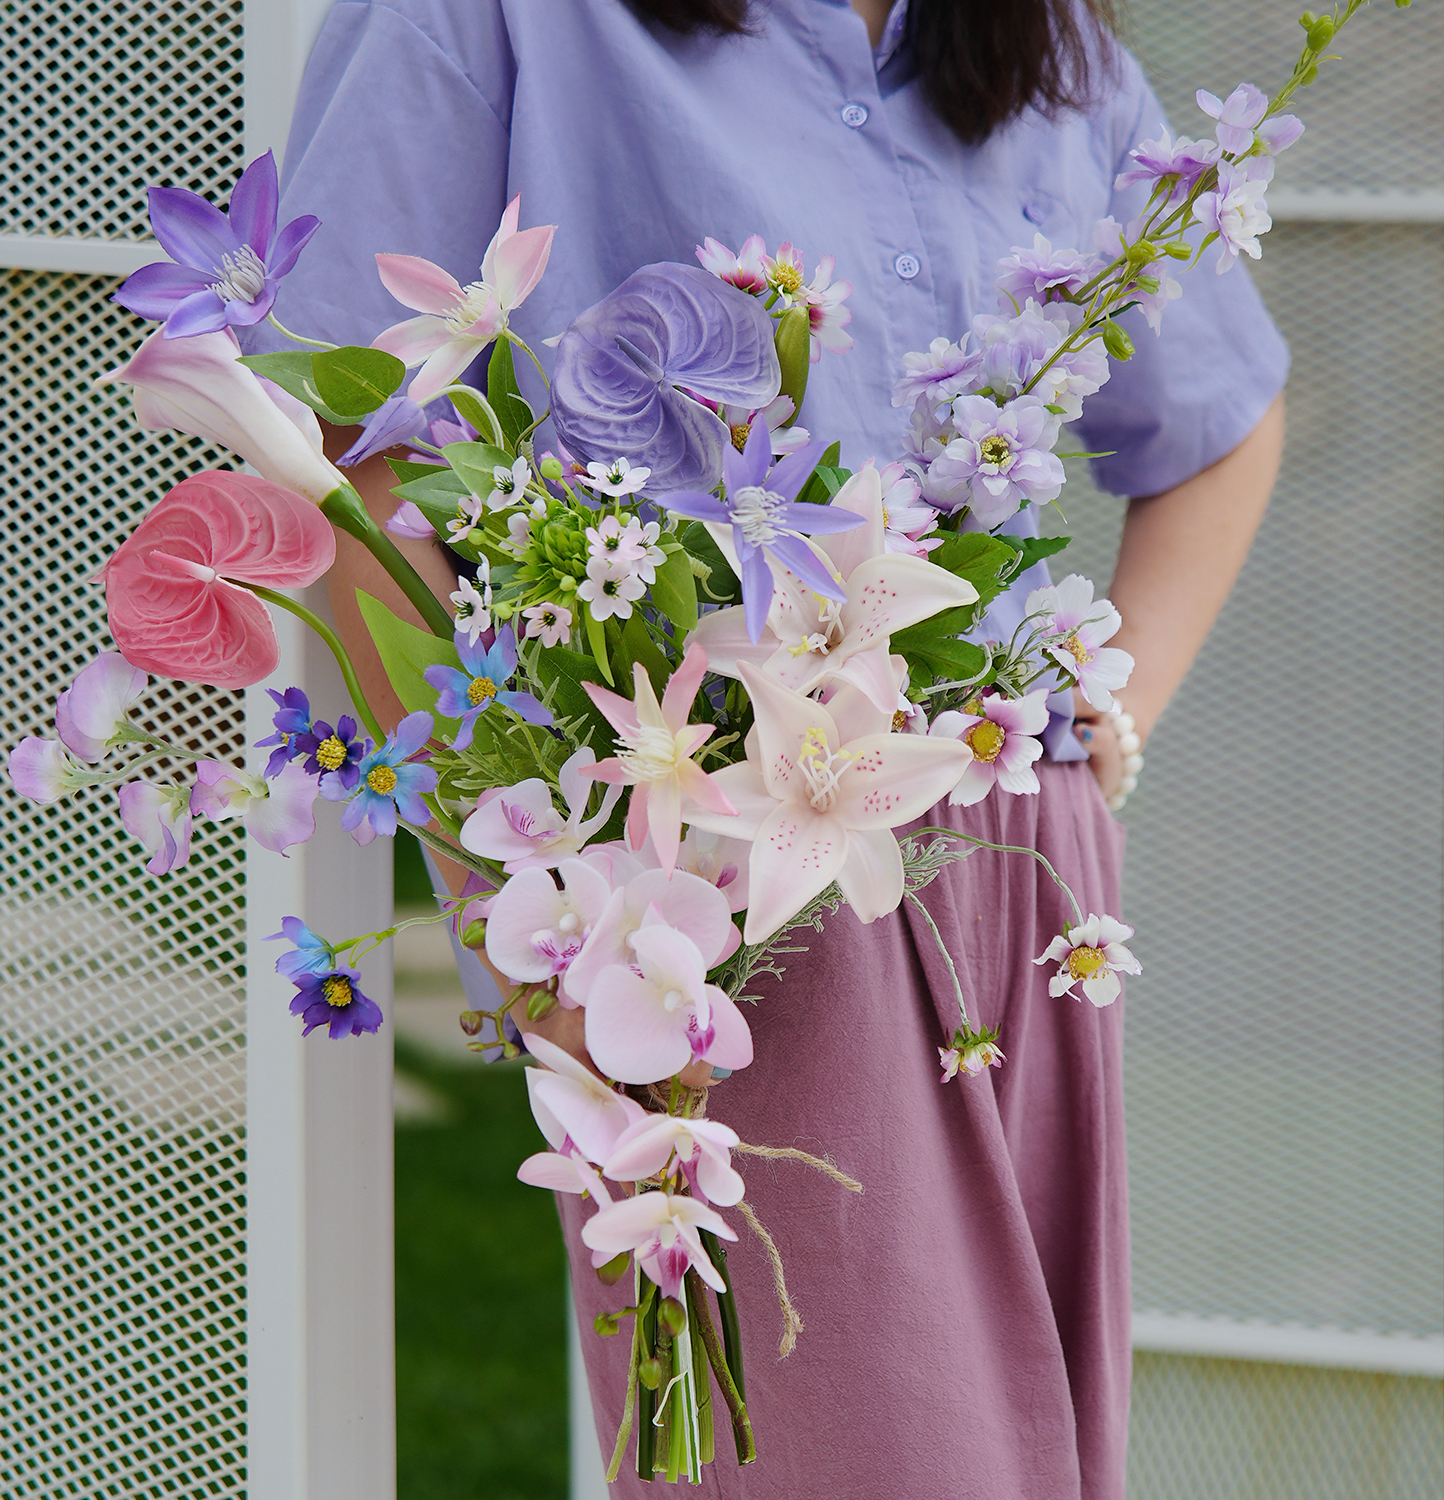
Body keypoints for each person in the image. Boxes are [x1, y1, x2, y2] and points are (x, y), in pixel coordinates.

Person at [247, 2, 1286, 1493]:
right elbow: (345, 460)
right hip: (713, 885)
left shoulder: (1043, 47)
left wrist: (1105, 721)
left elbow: (1219, 416)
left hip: (1019, 860)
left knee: (1044, 1455)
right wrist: (532, 895)